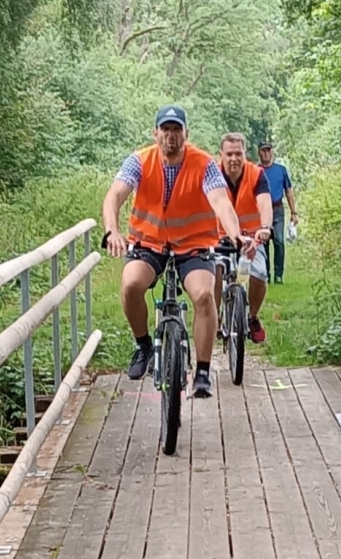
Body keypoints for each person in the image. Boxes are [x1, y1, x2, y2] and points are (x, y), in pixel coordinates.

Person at [101, 104, 254, 399]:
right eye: (165, 129)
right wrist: (112, 230)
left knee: (204, 295)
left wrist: (235, 234)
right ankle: (143, 346)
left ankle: (203, 373)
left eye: (176, 129)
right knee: (131, 284)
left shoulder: (204, 164)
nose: (170, 135)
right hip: (149, 243)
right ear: (155, 133)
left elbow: (221, 202)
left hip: (193, 245)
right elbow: (115, 195)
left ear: (186, 134)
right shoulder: (139, 161)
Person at [215, 133, 273, 343]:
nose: (234, 159)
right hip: (219, 237)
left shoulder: (256, 174)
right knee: (214, 270)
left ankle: (252, 316)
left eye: (238, 154)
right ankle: (214, 317)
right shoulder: (213, 174)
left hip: (251, 238)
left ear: (245, 154)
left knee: (259, 274)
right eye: (229, 154)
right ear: (221, 154)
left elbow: (265, 203)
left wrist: (265, 228)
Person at [257, 141, 298, 284]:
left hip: (277, 209)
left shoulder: (281, 170)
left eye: (268, 150)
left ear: (272, 152)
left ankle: (278, 274)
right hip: (261, 210)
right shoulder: (256, 170)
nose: (266, 153)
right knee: (263, 242)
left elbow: (289, 191)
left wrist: (294, 212)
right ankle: (266, 274)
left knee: (279, 241)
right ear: (259, 153)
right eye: (263, 151)